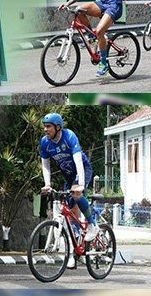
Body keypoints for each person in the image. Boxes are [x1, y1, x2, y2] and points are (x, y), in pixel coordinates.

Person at [39, 113, 97, 268]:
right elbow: (46, 164)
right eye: (44, 126)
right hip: (68, 177)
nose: (45, 129)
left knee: (77, 196)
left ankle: (92, 224)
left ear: (58, 127)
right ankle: (76, 251)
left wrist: (81, 185)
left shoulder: (69, 136)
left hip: (82, 170)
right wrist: (47, 184)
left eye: (48, 126)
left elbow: (78, 160)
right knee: (70, 215)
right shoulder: (45, 143)